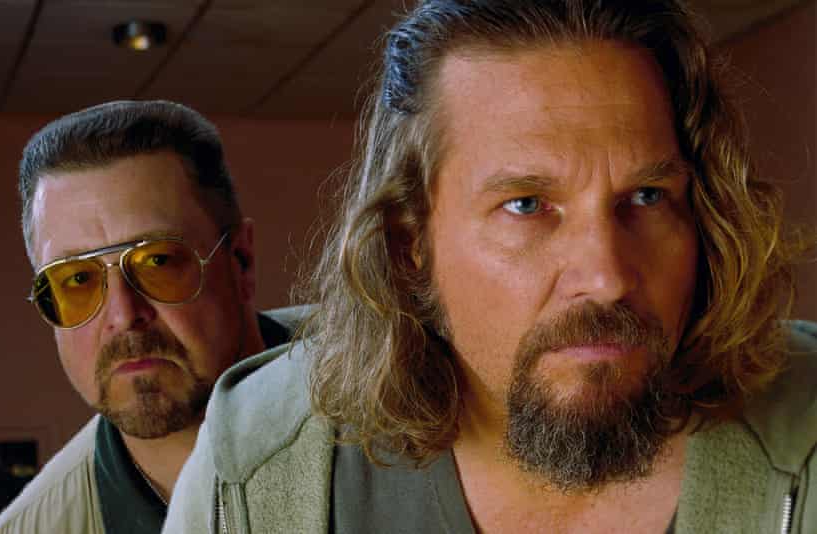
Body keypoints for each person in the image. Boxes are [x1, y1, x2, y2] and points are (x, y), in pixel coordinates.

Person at [163, 1, 817, 533]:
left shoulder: (806, 432)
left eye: (647, 197)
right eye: (526, 205)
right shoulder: (258, 459)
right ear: (409, 244)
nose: (607, 275)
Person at [0, 100, 306, 533]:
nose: (123, 315)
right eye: (77, 279)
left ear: (241, 261)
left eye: (158, 261)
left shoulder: (391, 389)